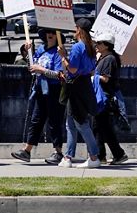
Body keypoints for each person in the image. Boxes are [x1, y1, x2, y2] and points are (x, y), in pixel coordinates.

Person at [11, 28, 67, 165]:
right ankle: (27, 150)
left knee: (54, 121)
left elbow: (60, 75)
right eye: (48, 32)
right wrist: (28, 53)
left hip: (54, 89)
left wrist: (41, 70)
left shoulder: (59, 52)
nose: (50, 35)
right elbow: (32, 67)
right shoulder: (41, 49)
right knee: (36, 120)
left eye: (53, 33)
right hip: (40, 89)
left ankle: (58, 152)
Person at [60, 18, 101, 168]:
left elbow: (72, 69)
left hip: (76, 87)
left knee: (81, 123)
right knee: (70, 123)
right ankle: (68, 156)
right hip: (84, 85)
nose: (74, 30)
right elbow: (90, 69)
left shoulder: (78, 47)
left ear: (80, 30)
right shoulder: (91, 46)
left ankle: (94, 156)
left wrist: (63, 57)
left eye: (76, 27)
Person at [92, 32, 128, 165]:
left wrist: (93, 77)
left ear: (106, 45)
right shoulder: (103, 58)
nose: (96, 45)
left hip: (104, 97)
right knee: (100, 127)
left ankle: (117, 154)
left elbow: (106, 79)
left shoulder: (109, 59)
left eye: (99, 43)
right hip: (101, 97)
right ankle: (102, 155)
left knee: (102, 127)